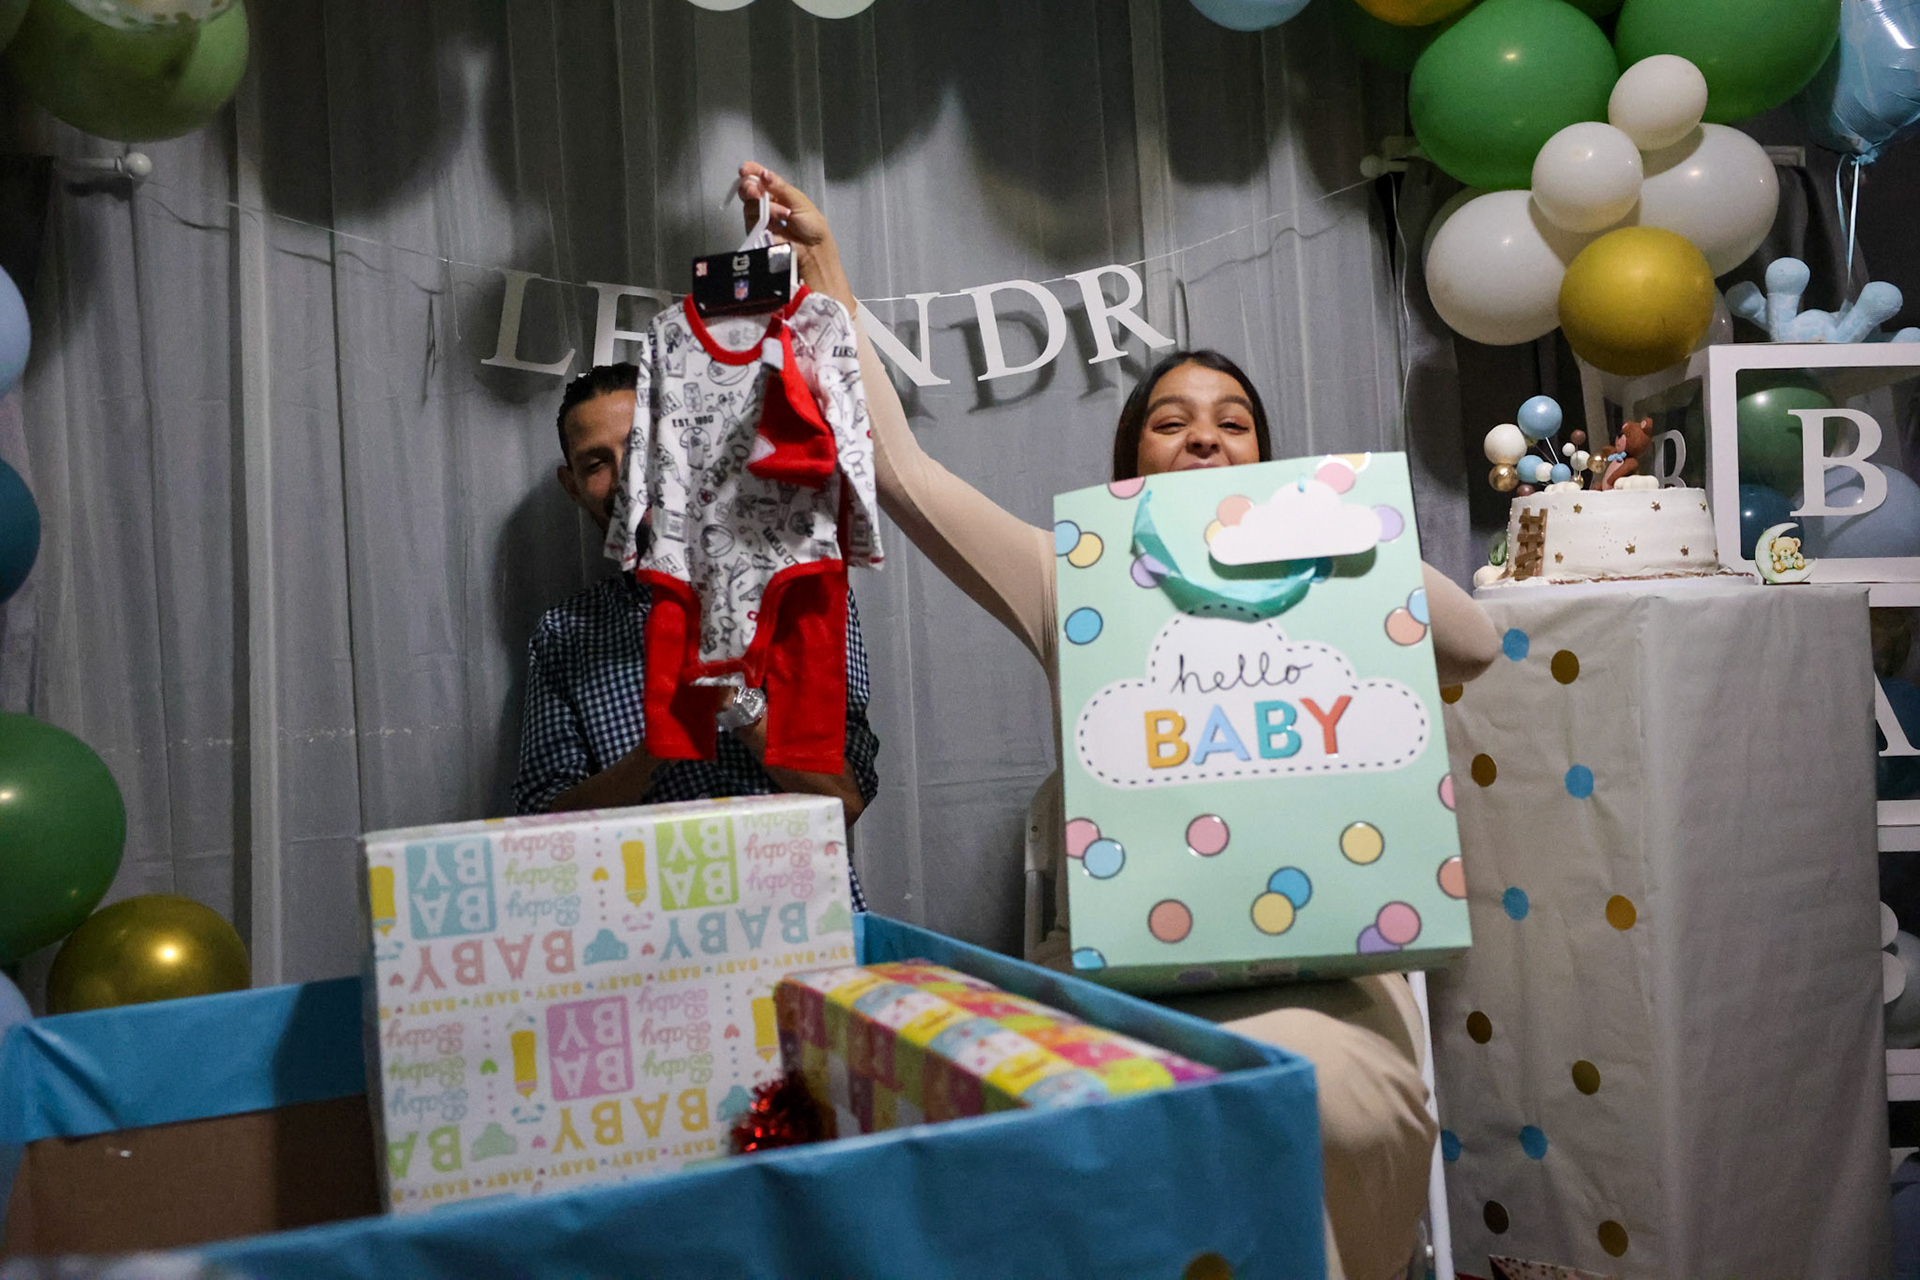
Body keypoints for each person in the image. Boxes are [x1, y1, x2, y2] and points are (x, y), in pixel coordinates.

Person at [735, 161, 1502, 1280]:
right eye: (1170, 423)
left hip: (1327, 975)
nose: (1205, 438)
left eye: (1235, 425)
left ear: (1266, 456)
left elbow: (1472, 642)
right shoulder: (1077, 577)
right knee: (1116, 1118)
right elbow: (902, 473)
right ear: (1129, 460)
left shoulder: (1336, 559)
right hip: (1129, 975)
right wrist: (830, 284)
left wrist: (1331, 526)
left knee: (1303, 1102)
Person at [511, 362, 882, 904]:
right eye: (597, 463)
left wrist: (736, 704)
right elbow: (542, 834)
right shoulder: (563, 635)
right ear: (573, 487)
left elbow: (845, 798)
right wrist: (656, 749)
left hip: (802, 920)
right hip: (638, 932)